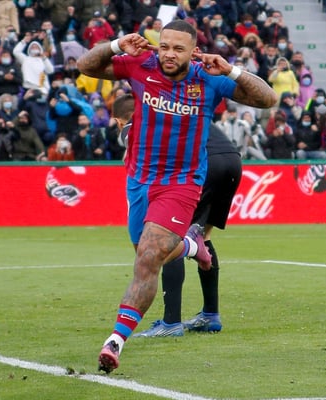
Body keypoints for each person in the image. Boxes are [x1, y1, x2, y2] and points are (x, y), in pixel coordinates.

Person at [76, 20, 277, 373]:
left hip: (181, 184)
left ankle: (116, 340)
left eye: (178, 49)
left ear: (193, 51)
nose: (169, 54)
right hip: (140, 179)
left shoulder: (208, 78)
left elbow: (268, 98)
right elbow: (85, 66)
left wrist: (232, 69)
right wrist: (117, 45)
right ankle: (191, 246)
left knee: (148, 258)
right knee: (145, 252)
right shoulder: (141, 65)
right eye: (165, 46)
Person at [134, 121, 243, 337]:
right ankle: (210, 315)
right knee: (202, 235)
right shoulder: (182, 107)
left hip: (207, 161)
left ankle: (171, 323)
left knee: (172, 234)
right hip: (232, 160)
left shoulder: (151, 114)